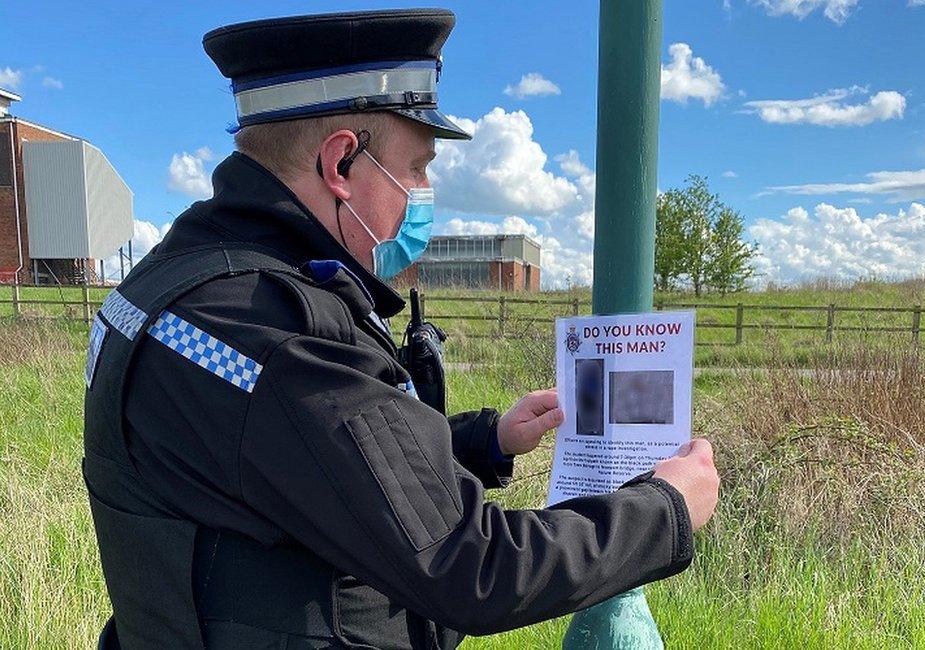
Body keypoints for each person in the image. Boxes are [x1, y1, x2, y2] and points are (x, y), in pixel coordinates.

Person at [83, 8, 719, 650]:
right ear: (341, 165)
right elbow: (471, 567)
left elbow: (313, 457)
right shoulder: (269, 328)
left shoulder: (182, 282)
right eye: (416, 168)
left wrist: (486, 440)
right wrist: (666, 510)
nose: (424, 192)